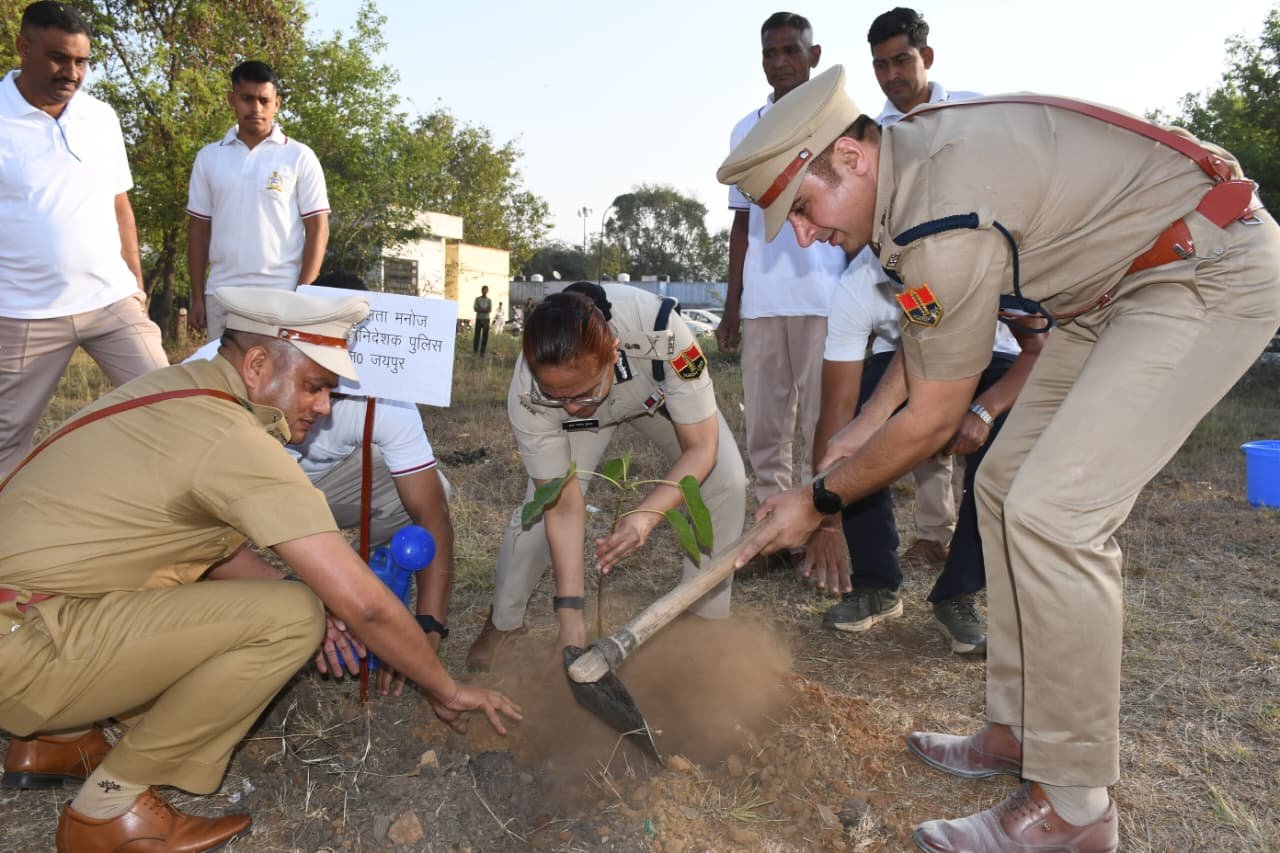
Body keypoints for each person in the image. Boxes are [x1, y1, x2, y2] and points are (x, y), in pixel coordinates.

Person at [718, 65, 1278, 850]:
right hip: (1106, 298)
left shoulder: (938, 207)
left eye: (802, 209)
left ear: (849, 156)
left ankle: (1077, 808)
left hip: (1202, 266)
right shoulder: (904, 195)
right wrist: (863, 424)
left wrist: (816, 500)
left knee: (1058, 513)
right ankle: (1020, 730)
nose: (803, 234)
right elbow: (929, 335)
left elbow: (937, 417)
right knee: (1007, 487)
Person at [0, 288, 520, 852]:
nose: (324, 406)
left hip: (31, 614)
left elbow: (203, 547)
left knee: (292, 601)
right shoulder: (228, 436)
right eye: (315, 386)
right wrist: (444, 688)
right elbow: (366, 604)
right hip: (26, 643)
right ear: (256, 365)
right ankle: (109, 810)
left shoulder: (177, 388)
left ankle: (58, 738)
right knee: (295, 617)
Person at [466, 283, 747, 671]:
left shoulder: (669, 336)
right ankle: (504, 621)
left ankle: (701, 620)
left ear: (613, 353)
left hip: (653, 397)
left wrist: (646, 515)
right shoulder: (530, 393)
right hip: (586, 415)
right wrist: (571, 620)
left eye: (576, 393)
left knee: (727, 481)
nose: (568, 406)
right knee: (538, 511)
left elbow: (702, 448)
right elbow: (564, 508)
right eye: (556, 394)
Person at [805, 253, 1038, 655]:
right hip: (899, 362)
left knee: (1008, 442)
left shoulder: (988, 258)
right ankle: (876, 584)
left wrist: (985, 410)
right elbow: (838, 412)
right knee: (863, 420)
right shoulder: (857, 283)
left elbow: (1040, 350)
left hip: (992, 358)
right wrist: (826, 516)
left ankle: (959, 591)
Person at [0, 1, 167, 480]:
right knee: (5, 442)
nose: (71, 72)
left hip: (111, 303)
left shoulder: (101, 117)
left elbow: (120, 206)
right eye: (58, 57)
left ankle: (173, 531)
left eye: (81, 61)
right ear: (24, 47)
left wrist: (136, 286)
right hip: (23, 314)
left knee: (175, 406)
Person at [719, 13, 846, 556]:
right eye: (771, 54)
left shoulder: (841, 124)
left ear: (814, 56)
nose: (781, 63)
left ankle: (818, 529)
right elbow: (742, 224)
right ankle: (775, 535)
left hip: (827, 300)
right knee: (767, 431)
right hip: (764, 302)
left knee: (826, 426)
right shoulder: (745, 130)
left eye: (791, 51)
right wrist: (731, 308)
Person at [873, 5, 985, 569]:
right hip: (918, 289)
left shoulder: (974, 112)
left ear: (928, 57)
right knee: (927, 397)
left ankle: (978, 534)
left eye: (901, 61)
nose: (891, 76)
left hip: (984, 282)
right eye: (880, 66)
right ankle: (933, 530)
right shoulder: (877, 135)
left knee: (980, 414)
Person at [187, 60, 330, 338]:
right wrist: (197, 298)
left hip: (281, 295)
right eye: (247, 99)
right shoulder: (209, 157)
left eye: (264, 100)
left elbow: (318, 228)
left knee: (278, 381)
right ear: (232, 100)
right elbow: (198, 230)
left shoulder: (299, 156)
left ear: (276, 103)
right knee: (224, 381)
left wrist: (303, 293)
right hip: (222, 294)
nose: (256, 108)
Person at [473, 285, 493, 355]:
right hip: (479, 318)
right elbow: (475, 309)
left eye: (486, 290)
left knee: (485, 336)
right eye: (483, 290)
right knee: (477, 335)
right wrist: (484, 310)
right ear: (481, 291)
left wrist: (480, 309)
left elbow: (490, 310)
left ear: (487, 291)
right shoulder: (477, 299)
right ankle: (475, 350)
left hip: (486, 319)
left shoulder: (489, 300)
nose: (484, 291)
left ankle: (482, 352)